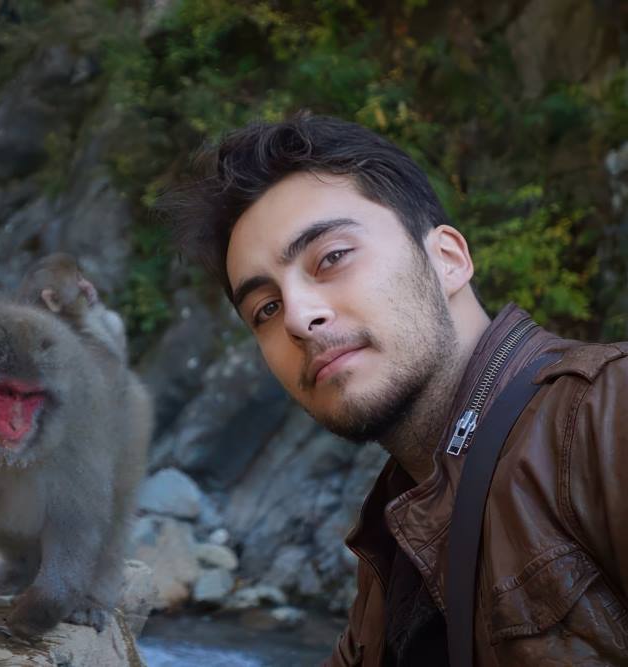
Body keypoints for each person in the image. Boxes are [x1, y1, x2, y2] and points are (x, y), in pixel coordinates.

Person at [166, 111, 628, 666]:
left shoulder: (604, 412)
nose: (297, 317)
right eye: (265, 308)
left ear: (448, 260)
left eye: (332, 257)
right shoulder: (391, 546)